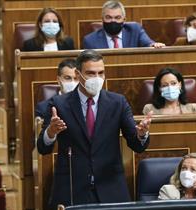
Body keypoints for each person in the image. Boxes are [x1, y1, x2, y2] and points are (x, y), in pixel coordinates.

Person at [36, 49, 152, 209]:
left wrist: (141, 134)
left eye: (101, 73)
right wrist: (50, 132)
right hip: (72, 188)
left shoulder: (117, 102)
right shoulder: (59, 104)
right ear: (78, 74)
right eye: (91, 73)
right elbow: (43, 148)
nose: (97, 78)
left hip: (110, 187)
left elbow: (137, 145)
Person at [83, 0, 165, 49]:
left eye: (117, 17)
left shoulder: (135, 30)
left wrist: (154, 45)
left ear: (124, 20)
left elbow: (147, 43)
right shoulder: (90, 40)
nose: (113, 21)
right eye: (108, 17)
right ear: (102, 19)